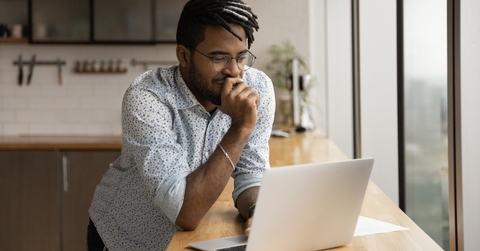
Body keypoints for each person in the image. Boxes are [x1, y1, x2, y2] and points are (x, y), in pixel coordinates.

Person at [87, 0, 275, 250]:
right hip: (126, 239)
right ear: (183, 55)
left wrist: (257, 211)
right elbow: (185, 212)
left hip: (185, 243)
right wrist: (240, 128)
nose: (235, 72)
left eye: (241, 57)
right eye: (219, 58)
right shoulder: (149, 97)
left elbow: (251, 173)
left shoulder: (257, 88)